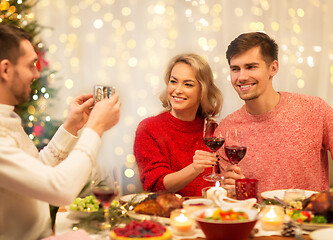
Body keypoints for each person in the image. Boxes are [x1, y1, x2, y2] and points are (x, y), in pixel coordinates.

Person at [0, 22, 121, 239]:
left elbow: (34, 171)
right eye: (31, 65)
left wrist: (71, 126)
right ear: (5, 69)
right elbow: (60, 190)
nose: (36, 74)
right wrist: (96, 127)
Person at [217, 32, 333, 194]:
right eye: (235, 69)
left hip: (308, 217)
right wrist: (230, 186)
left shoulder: (315, 109)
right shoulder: (226, 129)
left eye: (251, 67)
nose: (241, 77)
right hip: (256, 217)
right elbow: (229, 196)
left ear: (273, 68)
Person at [134, 53, 223, 197]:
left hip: (208, 215)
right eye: (173, 81)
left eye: (188, 84)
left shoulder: (212, 131)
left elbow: (218, 185)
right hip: (169, 216)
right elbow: (156, 186)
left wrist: (230, 179)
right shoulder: (149, 128)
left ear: (203, 90)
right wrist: (194, 168)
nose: (177, 90)